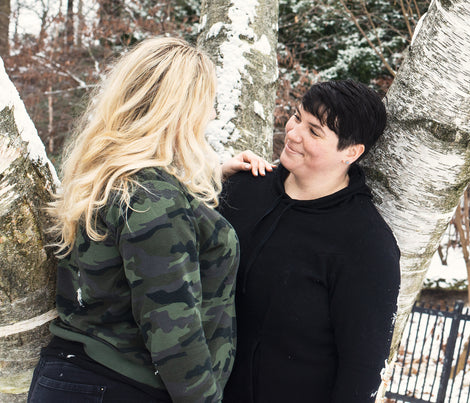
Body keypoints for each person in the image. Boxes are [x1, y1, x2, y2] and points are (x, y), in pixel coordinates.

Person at [27, 37, 238, 403]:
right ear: (181, 109)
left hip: (69, 376)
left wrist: (216, 173)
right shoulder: (153, 198)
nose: (213, 115)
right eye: (209, 103)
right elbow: (172, 328)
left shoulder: (106, 176)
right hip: (118, 387)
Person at [219, 79, 400, 403]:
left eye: (314, 131)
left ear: (351, 152)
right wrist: (213, 178)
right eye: (296, 116)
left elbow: (360, 371)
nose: (293, 133)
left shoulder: (366, 244)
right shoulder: (244, 188)